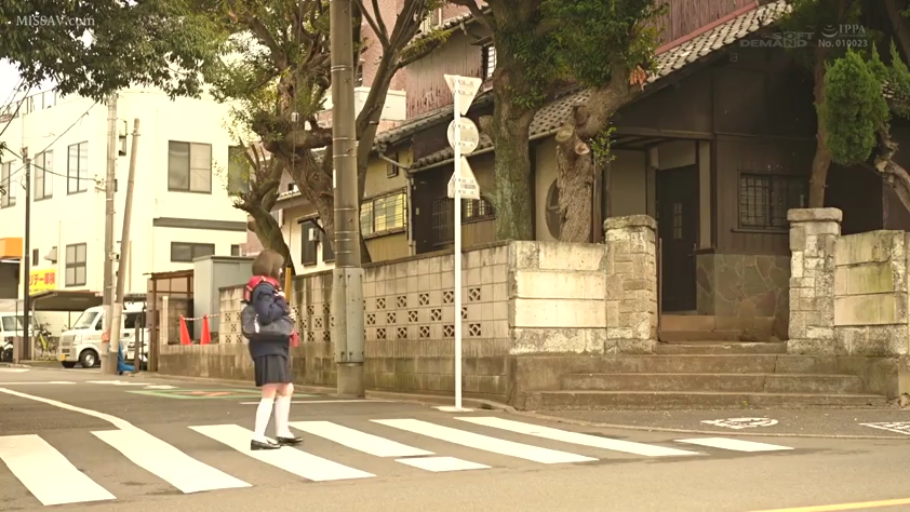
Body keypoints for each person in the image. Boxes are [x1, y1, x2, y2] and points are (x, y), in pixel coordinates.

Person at [244, 250, 302, 450]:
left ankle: (282, 431)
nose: (280, 270)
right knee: (270, 390)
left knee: (286, 388)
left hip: (275, 344)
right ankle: (258, 436)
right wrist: (283, 306)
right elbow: (267, 315)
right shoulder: (263, 288)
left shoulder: (268, 287)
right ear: (271, 267)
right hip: (268, 346)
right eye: (278, 266)